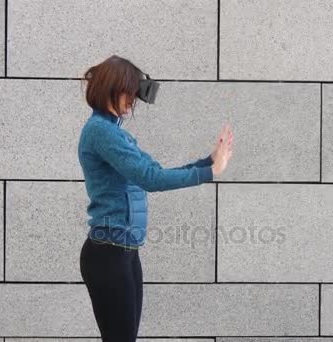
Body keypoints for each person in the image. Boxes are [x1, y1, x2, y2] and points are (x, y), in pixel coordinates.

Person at [77, 55, 233, 342]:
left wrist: (207, 162)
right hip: (108, 253)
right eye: (129, 91)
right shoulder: (101, 132)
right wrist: (210, 172)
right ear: (111, 88)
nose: (133, 101)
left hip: (123, 251)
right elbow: (151, 180)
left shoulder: (113, 133)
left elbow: (154, 172)